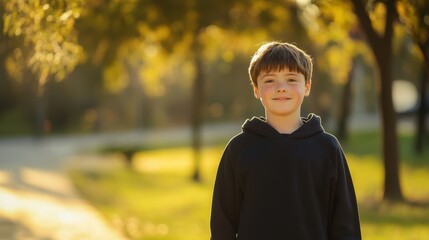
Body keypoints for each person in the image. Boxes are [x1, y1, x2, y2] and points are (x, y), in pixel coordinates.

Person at [210, 41, 361, 240]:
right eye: (270, 80)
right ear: (256, 89)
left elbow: (345, 224)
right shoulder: (239, 149)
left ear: (307, 86)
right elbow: (223, 225)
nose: (281, 88)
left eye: (291, 79)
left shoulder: (327, 148)